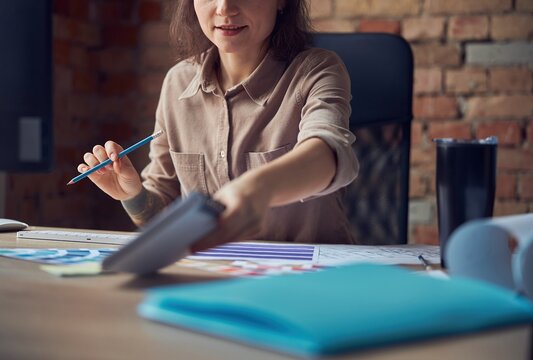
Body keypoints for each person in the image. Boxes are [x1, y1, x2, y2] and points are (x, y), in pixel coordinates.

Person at [77, 0, 359, 251]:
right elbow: (162, 215)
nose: (224, 8)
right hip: (214, 275)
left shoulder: (317, 70)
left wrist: (258, 189)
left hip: (310, 276)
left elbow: (329, 153)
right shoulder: (178, 82)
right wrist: (134, 195)